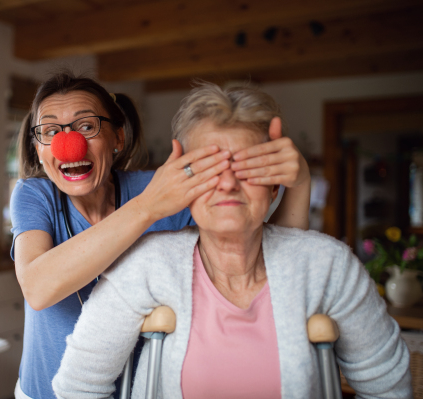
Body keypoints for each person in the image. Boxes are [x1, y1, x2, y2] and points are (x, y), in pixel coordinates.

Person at [52, 83, 411, 398]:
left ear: (274, 187)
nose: (227, 183)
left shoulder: (328, 265)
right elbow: (77, 387)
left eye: (246, 168)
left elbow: (389, 388)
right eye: (208, 169)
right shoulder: (147, 265)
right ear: (184, 187)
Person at [10, 72, 312, 399]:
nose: (69, 145)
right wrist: (148, 207)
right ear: (39, 149)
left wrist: (300, 182)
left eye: (86, 126)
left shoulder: (160, 187)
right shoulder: (34, 194)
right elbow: (38, 288)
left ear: (118, 138)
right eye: (50, 131)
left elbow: (263, 262)